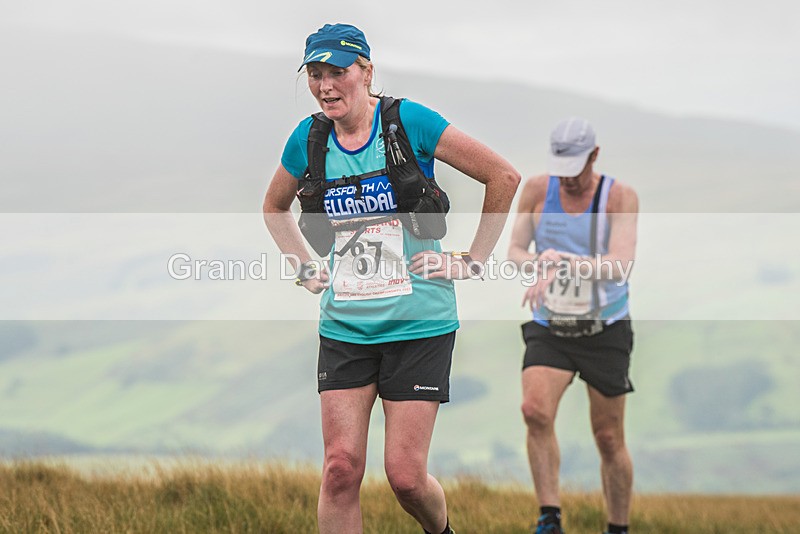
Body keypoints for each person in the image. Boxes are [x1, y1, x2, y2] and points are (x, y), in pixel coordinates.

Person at [263, 23, 520, 534]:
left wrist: (471, 260)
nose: (325, 85)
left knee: (405, 478)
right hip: (345, 326)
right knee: (340, 470)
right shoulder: (309, 139)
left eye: (338, 72)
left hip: (419, 324)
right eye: (315, 74)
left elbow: (503, 176)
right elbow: (274, 206)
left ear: (367, 72)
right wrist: (303, 265)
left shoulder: (409, 122)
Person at [507, 118, 638, 534]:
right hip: (551, 326)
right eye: (561, 169)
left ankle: (618, 527)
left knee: (608, 437)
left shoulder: (619, 196)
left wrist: (565, 263)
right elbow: (515, 252)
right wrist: (538, 262)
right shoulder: (536, 190)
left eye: (576, 169)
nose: (567, 179)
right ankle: (550, 518)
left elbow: (620, 265)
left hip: (604, 329)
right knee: (534, 411)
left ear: (594, 156)